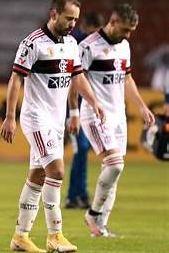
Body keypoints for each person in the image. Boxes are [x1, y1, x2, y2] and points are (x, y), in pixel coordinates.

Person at [0, 0, 105, 252]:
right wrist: (10, 117)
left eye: (76, 20)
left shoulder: (71, 44)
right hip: (36, 117)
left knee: (36, 177)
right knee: (56, 172)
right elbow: (16, 79)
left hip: (56, 120)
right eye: (69, 18)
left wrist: (94, 102)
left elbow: (77, 77)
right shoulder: (32, 43)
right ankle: (55, 235)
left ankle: (20, 237)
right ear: (54, 14)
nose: (73, 24)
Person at [79, 4, 155, 237]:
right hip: (96, 114)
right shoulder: (88, 46)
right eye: (125, 30)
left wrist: (141, 106)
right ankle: (92, 215)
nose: (128, 35)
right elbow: (76, 79)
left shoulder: (124, 46)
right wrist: (87, 106)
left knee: (114, 171)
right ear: (112, 22)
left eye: (131, 31)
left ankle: (100, 227)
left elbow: (127, 78)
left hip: (118, 114)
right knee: (115, 165)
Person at [65, 12, 105, 209]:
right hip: (72, 111)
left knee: (82, 150)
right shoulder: (77, 44)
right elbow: (74, 80)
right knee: (79, 149)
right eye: (93, 32)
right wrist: (73, 114)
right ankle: (74, 195)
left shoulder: (89, 45)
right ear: (85, 28)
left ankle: (80, 194)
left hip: (84, 109)